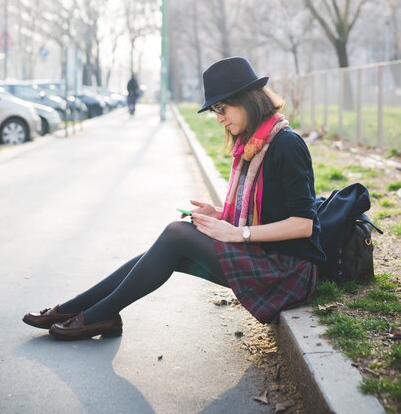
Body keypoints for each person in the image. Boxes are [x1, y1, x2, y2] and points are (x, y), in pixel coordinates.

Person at [23, 56, 325, 341]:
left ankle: (96, 315)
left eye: (222, 109)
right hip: (265, 255)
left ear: (245, 99)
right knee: (173, 244)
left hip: (287, 271)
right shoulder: (253, 144)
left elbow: (303, 224)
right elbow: (266, 210)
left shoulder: (286, 145)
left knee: (176, 233)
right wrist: (220, 214)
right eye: (216, 111)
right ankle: (81, 309)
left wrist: (237, 232)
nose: (219, 119)